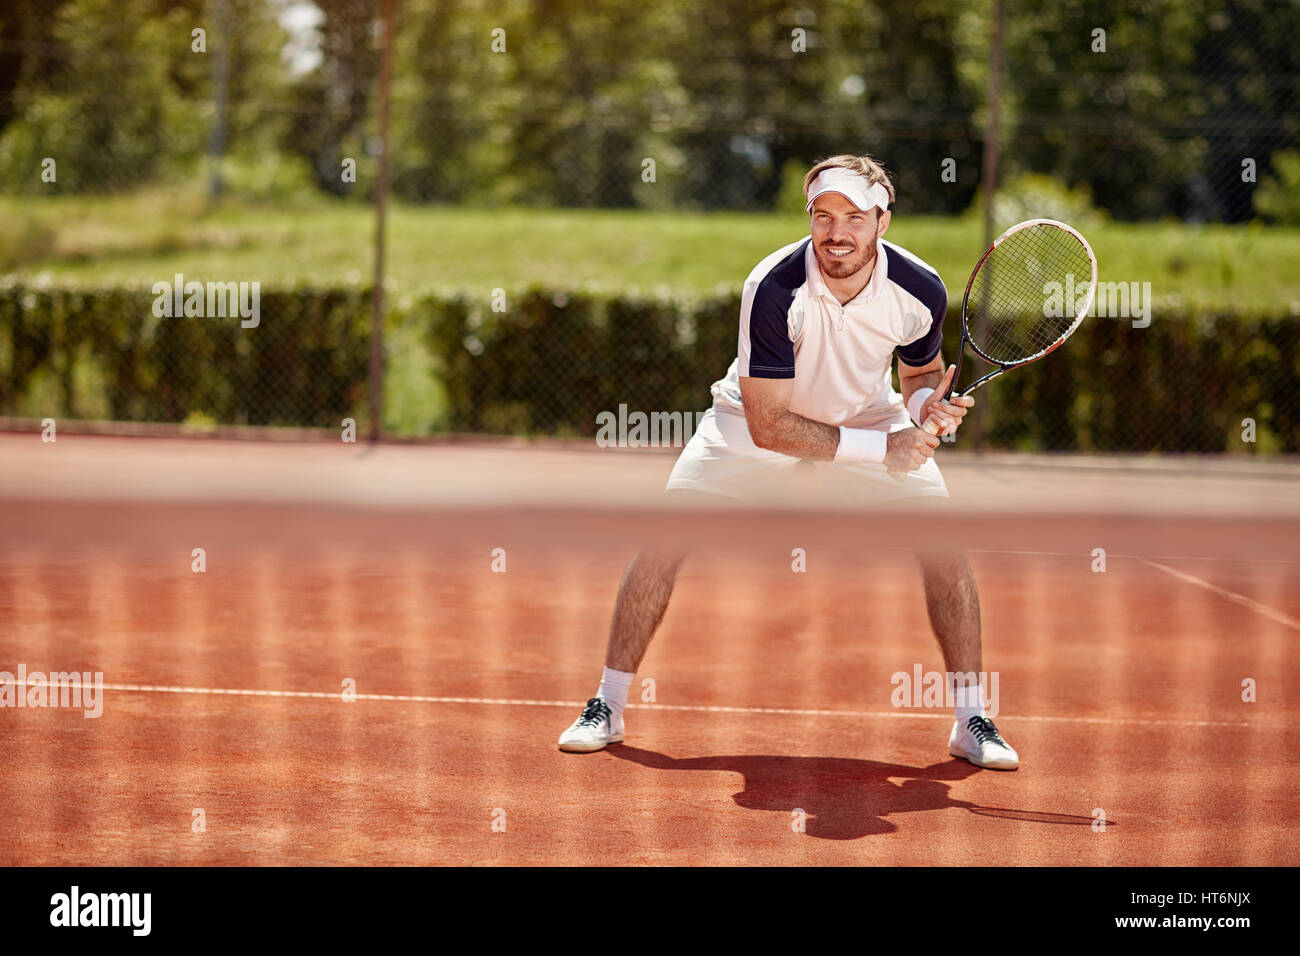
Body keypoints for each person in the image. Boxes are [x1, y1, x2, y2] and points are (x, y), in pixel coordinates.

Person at [558, 154, 1019, 770]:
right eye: (823, 215)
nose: (836, 232)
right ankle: (607, 705)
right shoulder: (773, 286)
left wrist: (921, 408)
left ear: (883, 221)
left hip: (867, 418)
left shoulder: (920, 288)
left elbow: (920, 371)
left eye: (854, 217)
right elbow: (768, 424)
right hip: (750, 425)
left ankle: (972, 719)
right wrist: (885, 449)